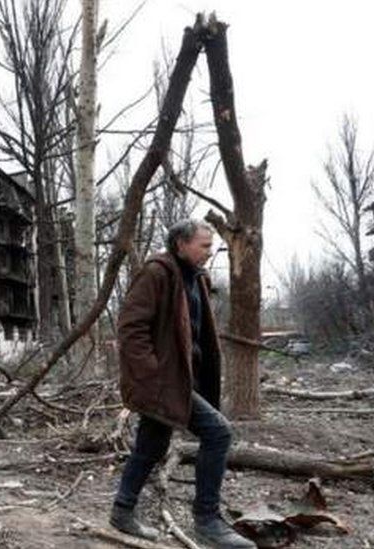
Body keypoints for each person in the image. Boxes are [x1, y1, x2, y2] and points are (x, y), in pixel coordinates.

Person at [108, 219, 255, 549]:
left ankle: (122, 510)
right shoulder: (157, 272)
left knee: (151, 444)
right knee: (218, 432)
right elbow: (131, 329)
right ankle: (207, 521)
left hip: (181, 379)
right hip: (164, 381)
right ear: (181, 244)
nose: (210, 251)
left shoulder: (195, 278)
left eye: (211, 245)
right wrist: (153, 376)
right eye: (204, 245)